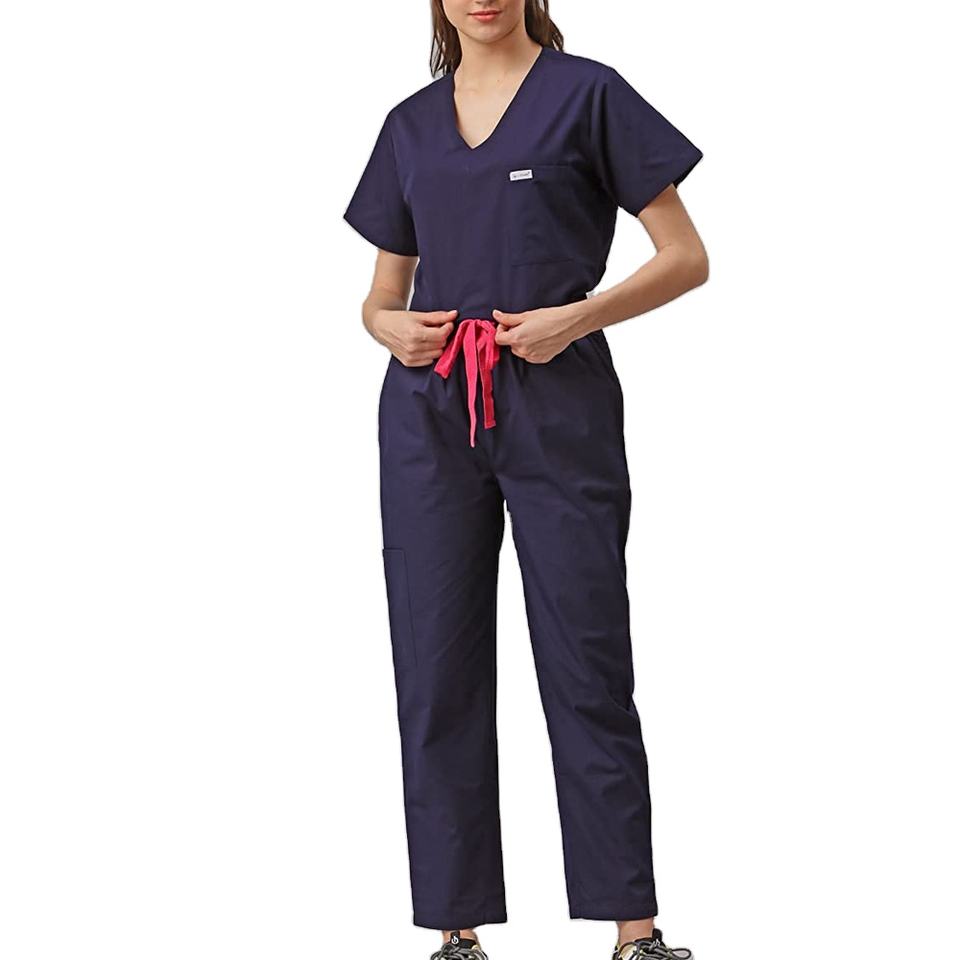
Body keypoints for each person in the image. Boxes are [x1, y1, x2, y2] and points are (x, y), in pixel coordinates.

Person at [344, 2, 707, 958]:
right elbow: (381, 294)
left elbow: (686, 257)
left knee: (587, 661)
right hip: (428, 413)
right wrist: (386, 326)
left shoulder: (589, 95)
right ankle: (456, 932)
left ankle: (634, 934)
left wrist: (576, 317)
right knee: (436, 670)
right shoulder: (409, 123)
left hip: (557, 401)